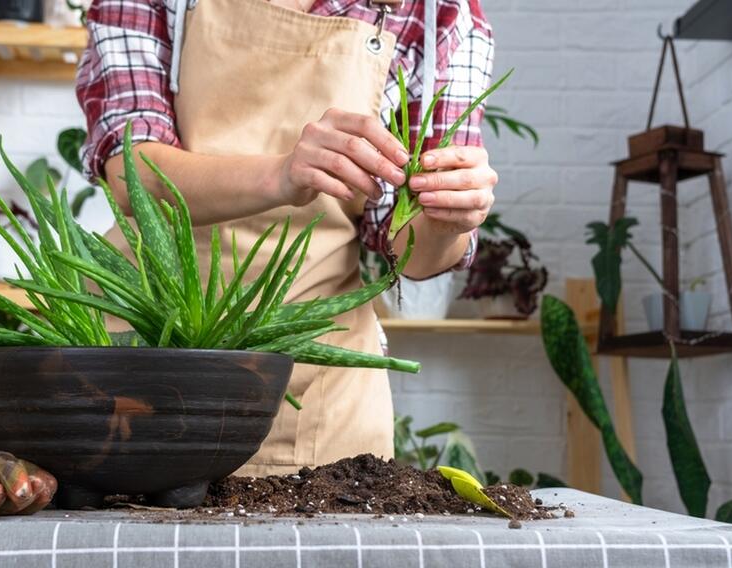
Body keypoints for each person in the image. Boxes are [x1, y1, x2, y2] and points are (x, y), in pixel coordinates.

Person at [76, 0, 497, 476]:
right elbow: (132, 172)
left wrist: (448, 220)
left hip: (313, 384)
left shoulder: (436, 13)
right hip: (144, 358)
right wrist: (281, 175)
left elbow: (411, 253)